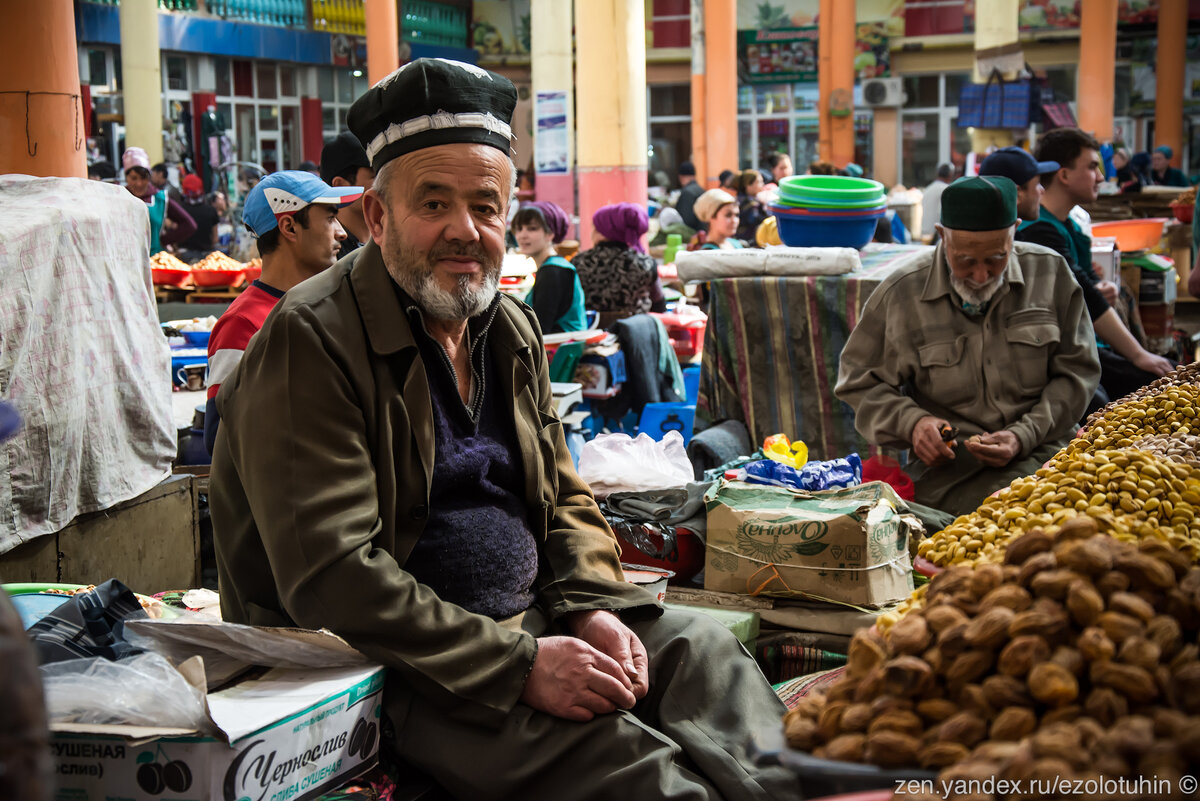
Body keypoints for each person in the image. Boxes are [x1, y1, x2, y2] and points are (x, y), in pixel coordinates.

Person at [209, 57, 795, 801]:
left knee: (705, 653)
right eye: (434, 204)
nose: (466, 231)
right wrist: (520, 665)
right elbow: (333, 577)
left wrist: (594, 607)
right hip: (394, 663)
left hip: (532, 615)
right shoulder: (311, 339)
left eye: (486, 207)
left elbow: (564, 498)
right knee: (641, 770)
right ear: (379, 215)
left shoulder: (506, 324)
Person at [836, 176, 1100, 518]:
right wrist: (914, 424)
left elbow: (1078, 371)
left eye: (995, 258)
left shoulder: (1050, 274)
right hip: (951, 476)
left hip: (1048, 454)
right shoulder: (902, 294)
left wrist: (1023, 434)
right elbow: (860, 382)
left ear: (1015, 230)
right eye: (965, 261)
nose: (980, 275)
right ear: (942, 235)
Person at [1009, 130, 1172, 408]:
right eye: (1093, 166)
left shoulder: (1068, 227)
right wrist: (1138, 355)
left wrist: (1104, 287)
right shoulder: (1039, 231)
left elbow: (1090, 286)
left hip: (1093, 345)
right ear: (1063, 175)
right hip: (1071, 352)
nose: (1101, 177)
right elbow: (1086, 296)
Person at [202, 171, 361, 454]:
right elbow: (222, 439)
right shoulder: (242, 324)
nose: (342, 232)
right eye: (329, 217)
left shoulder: (333, 305)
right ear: (289, 227)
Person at [573, 203, 666, 324]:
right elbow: (659, 306)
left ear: (604, 232)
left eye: (595, 228)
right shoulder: (645, 264)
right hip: (636, 335)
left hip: (590, 333)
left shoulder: (578, 262)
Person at [513, 200, 587, 333]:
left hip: (560, 349)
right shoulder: (556, 266)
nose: (522, 235)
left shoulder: (552, 271)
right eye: (519, 229)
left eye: (532, 228)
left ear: (550, 233)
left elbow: (540, 328)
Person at [122, 147, 196, 254]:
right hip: (126, 261)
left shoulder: (159, 199)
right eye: (134, 178)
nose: (139, 183)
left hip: (154, 261)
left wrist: (162, 240)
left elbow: (189, 225)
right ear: (126, 178)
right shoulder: (120, 197)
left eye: (144, 178)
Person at [320, 131, 376, 260]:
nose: (386, 184)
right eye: (375, 176)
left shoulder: (392, 241)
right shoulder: (327, 256)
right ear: (340, 186)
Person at [177, 174, 221, 262]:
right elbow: (215, 239)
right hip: (206, 258)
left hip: (183, 258)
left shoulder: (179, 210)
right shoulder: (211, 210)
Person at [732, 169, 769, 242]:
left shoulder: (744, 199)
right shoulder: (747, 203)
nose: (762, 184)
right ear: (748, 185)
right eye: (759, 182)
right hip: (747, 242)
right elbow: (756, 220)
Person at [921, 163, 954, 240]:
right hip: (937, 236)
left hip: (925, 233)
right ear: (950, 175)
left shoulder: (928, 189)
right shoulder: (947, 190)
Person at [675, 161, 704, 230]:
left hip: (693, 235)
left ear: (680, 177)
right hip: (703, 232)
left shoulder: (687, 192)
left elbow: (685, 220)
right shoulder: (702, 190)